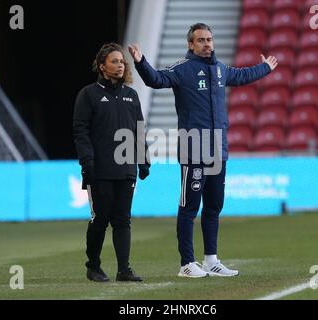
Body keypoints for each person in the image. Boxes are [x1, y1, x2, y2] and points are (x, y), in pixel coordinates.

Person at [129, 23, 278, 277]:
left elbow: (242, 76)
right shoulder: (182, 70)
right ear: (191, 44)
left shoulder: (220, 70)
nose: (207, 43)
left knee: (213, 207)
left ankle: (211, 260)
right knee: (189, 207)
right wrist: (141, 62)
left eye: (209, 39)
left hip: (218, 149)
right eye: (201, 40)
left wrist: (265, 68)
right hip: (193, 148)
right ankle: (187, 263)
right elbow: (156, 80)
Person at [73, 43, 150, 282]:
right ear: (101, 65)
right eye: (114, 61)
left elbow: (138, 131)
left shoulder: (131, 95)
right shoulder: (88, 94)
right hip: (100, 169)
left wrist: (143, 160)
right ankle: (93, 266)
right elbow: (81, 131)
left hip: (127, 168)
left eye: (122, 61)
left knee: (123, 219)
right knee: (101, 218)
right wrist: (88, 162)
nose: (120, 65)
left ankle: (124, 270)